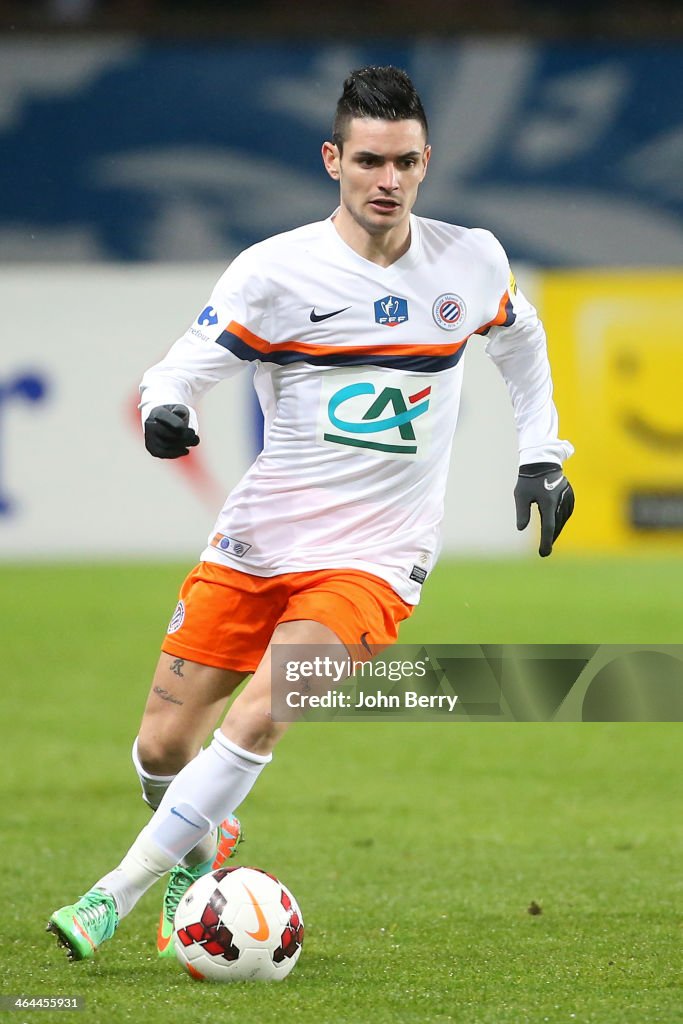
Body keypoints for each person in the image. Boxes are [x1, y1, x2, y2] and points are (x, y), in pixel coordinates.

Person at [47, 65, 574, 961]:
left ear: (425, 162)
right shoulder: (275, 272)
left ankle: (113, 895)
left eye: (405, 162)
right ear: (333, 158)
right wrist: (170, 405)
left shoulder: (470, 258)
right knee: (161, 749)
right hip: (259, 541)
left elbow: (519, 338)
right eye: (369, 160)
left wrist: (540, 452)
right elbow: (182, 365)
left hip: (376, 558)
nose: (388, 180)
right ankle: (204, 840)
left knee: (262, 713)